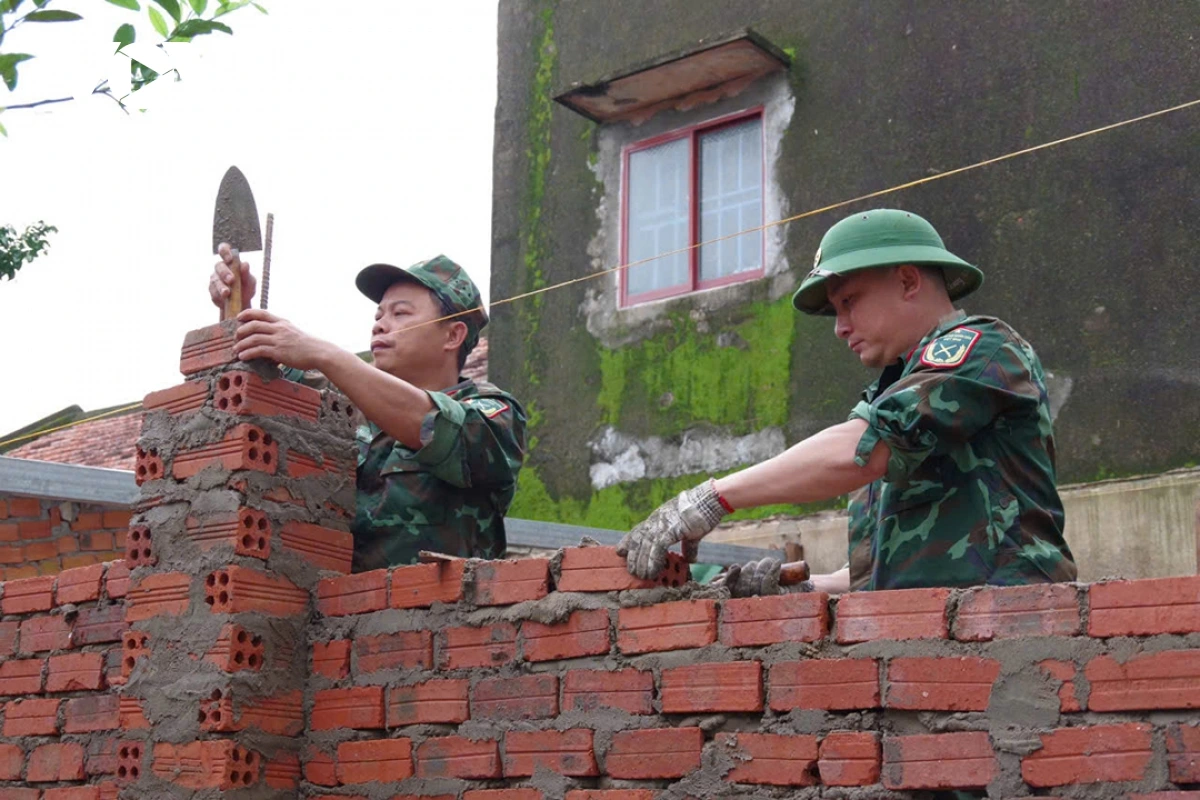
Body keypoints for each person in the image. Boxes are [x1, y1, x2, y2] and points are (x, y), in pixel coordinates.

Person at [617, 208, 1077, 596]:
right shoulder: (895, 387)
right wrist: (800, 587)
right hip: (930, 643)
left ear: (908, 280)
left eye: (850, 301)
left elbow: (862, 450)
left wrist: (709, 500)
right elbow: (881, 572)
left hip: (1010, 629)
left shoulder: (980, 349)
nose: (840, 327)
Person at [209, 244, 527, 572]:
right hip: (334, 615)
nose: (379, 325)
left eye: (400, 313)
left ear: (452, 335)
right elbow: (265, 379)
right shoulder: (344, 402)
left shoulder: (495, 413)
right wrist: (240, 311)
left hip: (437, 617)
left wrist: (326, 354)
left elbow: (439, 426)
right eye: (378, 315)